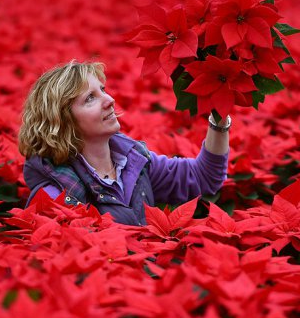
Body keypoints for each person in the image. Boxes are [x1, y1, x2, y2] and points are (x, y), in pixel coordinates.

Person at [18, 60, 230, 226]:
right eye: (90, 98)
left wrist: (219, 118)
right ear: (62, 120)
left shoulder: (135, 162)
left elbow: (204, 177)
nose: (109, 100)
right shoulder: (54, 195)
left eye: (102, 89)